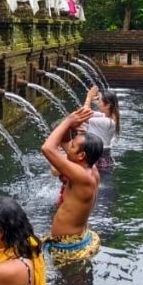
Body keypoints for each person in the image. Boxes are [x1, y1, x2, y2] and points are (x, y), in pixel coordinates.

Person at [41, 107, 102, 264]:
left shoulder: (82, 177)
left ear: (81, 155)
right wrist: (69, 126)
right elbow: (64, 141)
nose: (69, 147)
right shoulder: (89, 168)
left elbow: (47, 148)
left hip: (69, 246)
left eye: (73, 146)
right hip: (74, 237)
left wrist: (68, 121)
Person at [83, 85, 120, 173]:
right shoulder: (105, 117)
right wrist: (91, 99)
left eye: (99, 100)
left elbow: (83, 116)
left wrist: (88, 98)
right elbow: (85, 112)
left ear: (107, 106)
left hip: (99, 159)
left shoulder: (106, 122)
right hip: (101, 156)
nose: (97, 102)